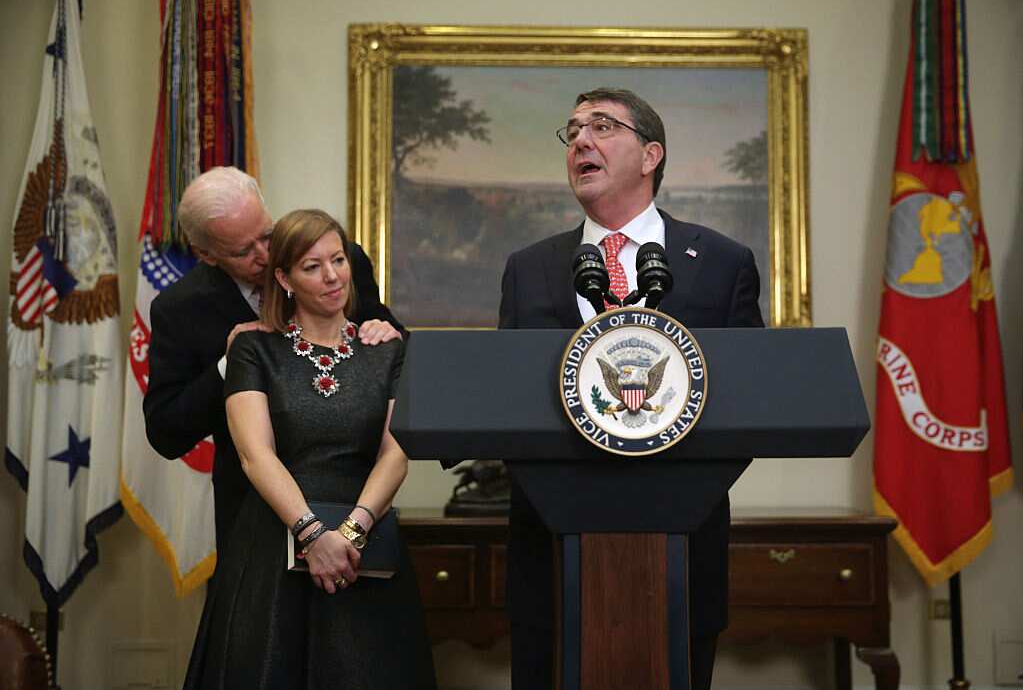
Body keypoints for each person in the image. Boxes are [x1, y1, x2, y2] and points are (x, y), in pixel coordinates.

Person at [498, 88, 764, 690]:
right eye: (572, 132)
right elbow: (506, 401)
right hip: (551, 546)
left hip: (682, 546)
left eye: (601, 126)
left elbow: (750, 401)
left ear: (650, 156)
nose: (580, 142)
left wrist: (682, 488)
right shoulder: (529, 267)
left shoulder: (722, 262)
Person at [183, 208, 436, 688]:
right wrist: (312, 534)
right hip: (271, 551)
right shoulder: (253, 349)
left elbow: (396, 452)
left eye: (337, 260)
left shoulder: (387, 350)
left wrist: (350, 534)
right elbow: (255, 456)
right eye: (312, 266)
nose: (332, 276)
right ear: (284, 278)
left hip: (365, 548)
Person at [144, 167, 402, 555]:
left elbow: (399, 358)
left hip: (353, 501)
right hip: (252, 514)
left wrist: (387, 333)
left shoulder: (338, 265)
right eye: (243, 251)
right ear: (206, 254)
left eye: (266, 235)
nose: (264, 256)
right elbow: (165, 432)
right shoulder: (180, 309)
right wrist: (228, 365)